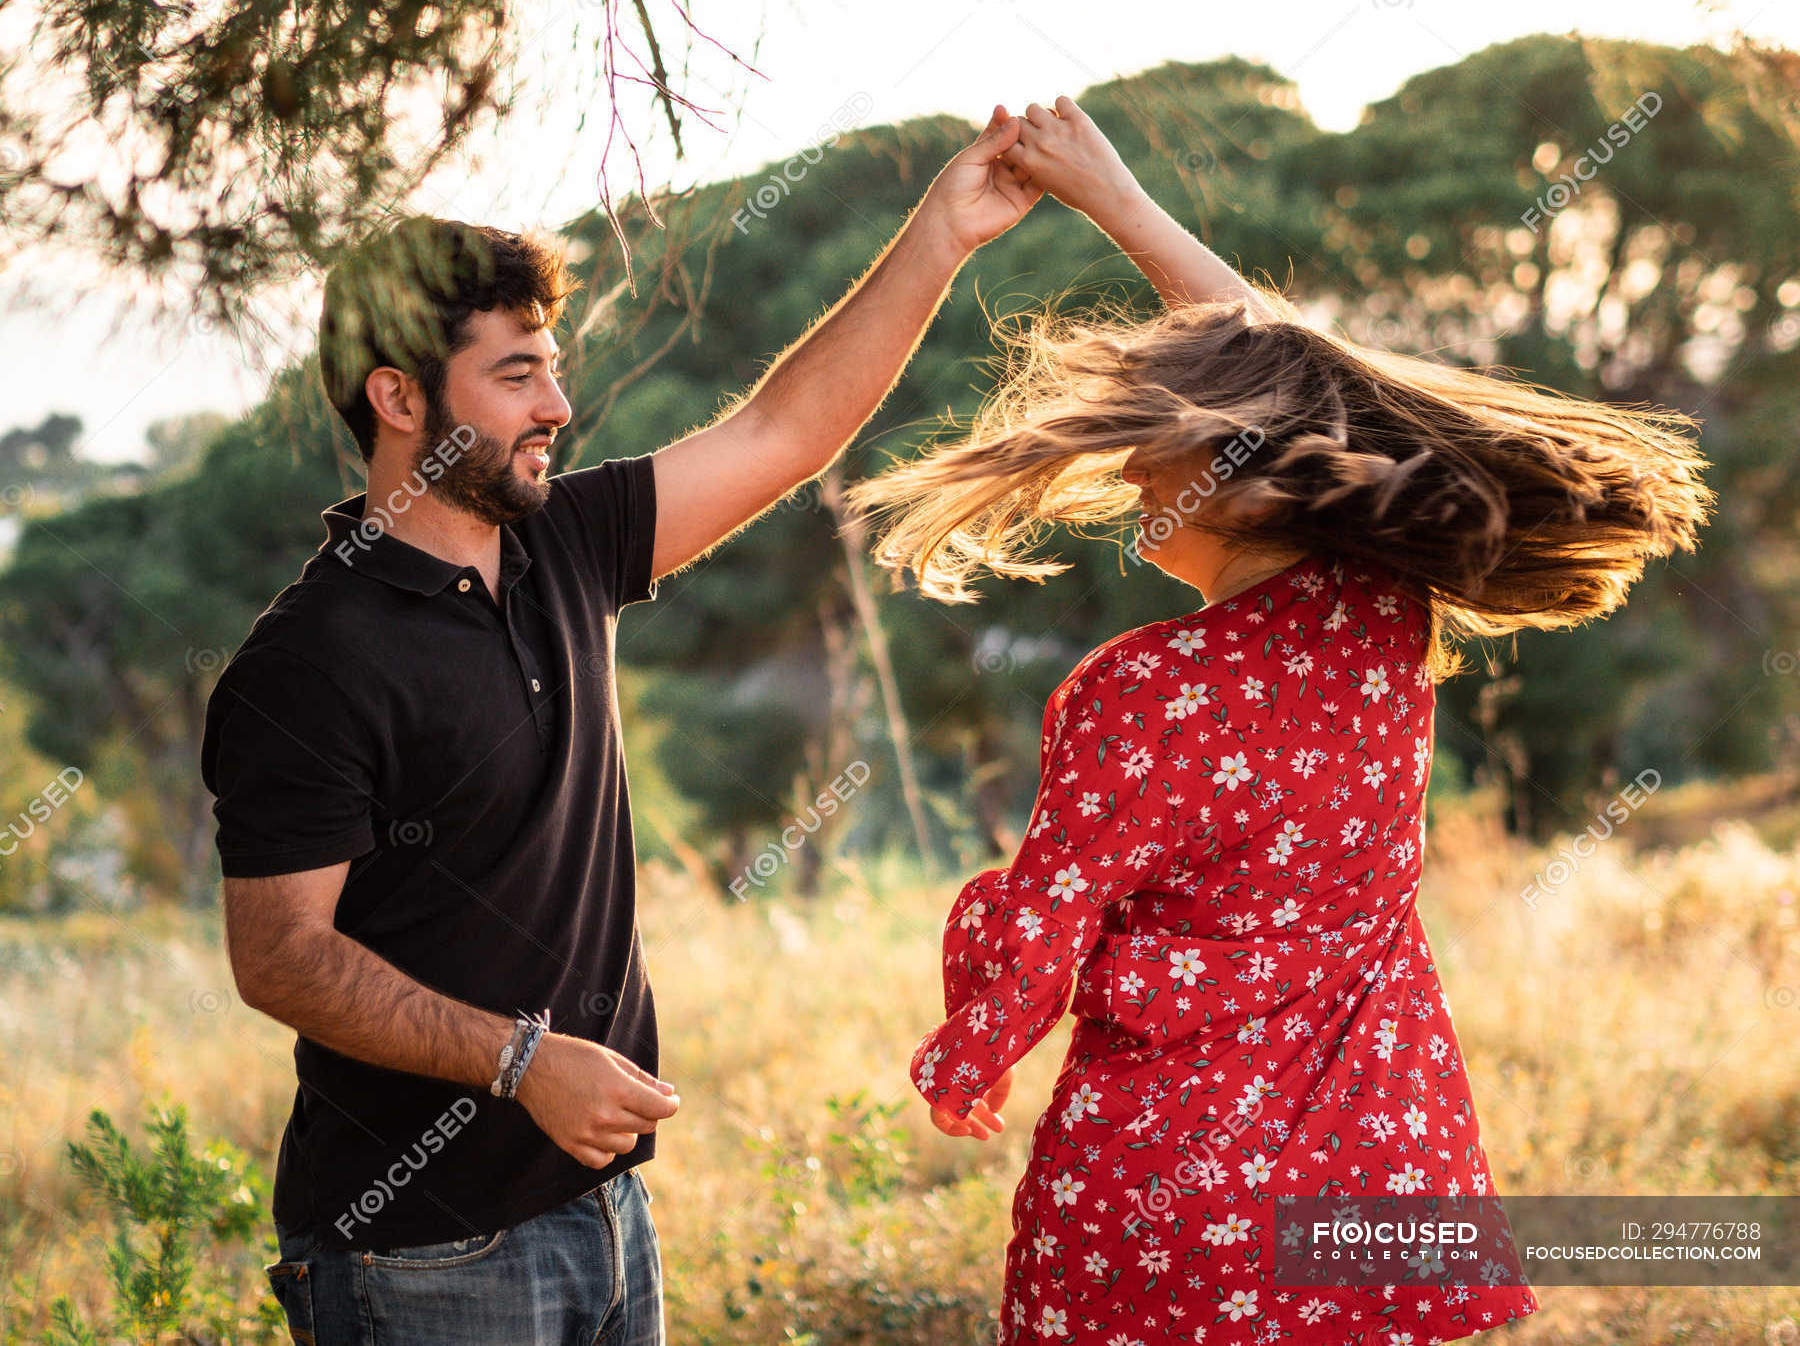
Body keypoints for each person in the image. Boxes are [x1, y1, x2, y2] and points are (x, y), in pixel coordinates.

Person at [843, 96, 1714, 1345]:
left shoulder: (1142, 689)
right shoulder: (1381, 623)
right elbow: (1310, 379)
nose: (1140, 475)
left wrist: (970, 1048)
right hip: (1375, 1170)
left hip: (1169, 1192)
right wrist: (1122, 206)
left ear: (1246, 492)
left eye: (1165, 453)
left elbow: (1044, 913)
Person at [200, 106, 1047, 1346]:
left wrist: (941, 237)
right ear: (396, 397)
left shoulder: (566, 540)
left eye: (552, 363)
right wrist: (520, 1061)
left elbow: (783, 432)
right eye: (514, 374)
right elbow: (279, 958)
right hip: (421, 1255)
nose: (559, 402)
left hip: (604, 1216)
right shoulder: (311, 660)